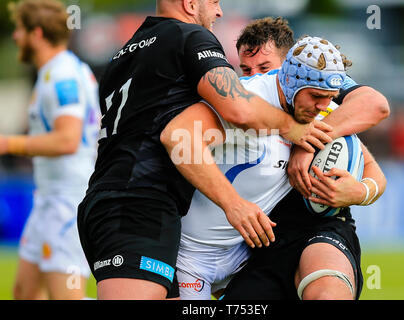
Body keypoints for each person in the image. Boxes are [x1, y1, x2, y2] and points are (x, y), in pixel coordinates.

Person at [77, 0, 332, 300]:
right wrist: (294, 129)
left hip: (114, 202)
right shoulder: (190, 36)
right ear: (190, 3)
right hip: (138, 206)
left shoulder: (123, 53)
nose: (219, 11)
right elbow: (238, 107)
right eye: (213, 1)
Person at [170, 35, 386, 300]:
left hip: (247, 254)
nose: (323, 106)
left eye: (329, 98)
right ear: (291, 81)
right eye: (317, 97)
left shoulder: (320, 114)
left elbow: (375, 115)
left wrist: (360, 192)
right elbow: (179, 139)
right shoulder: (246, 100)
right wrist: (233, 204)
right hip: (192, 256)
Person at [2, 0, 100, 300]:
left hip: (68, 204)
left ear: (38, 33)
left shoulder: (63, 76)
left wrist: (7, 143)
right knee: (25, 292)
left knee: (66, 296)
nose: (16, 36)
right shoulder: (59, 70)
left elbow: (67, 140)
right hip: (48, 200)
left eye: (20, 29)